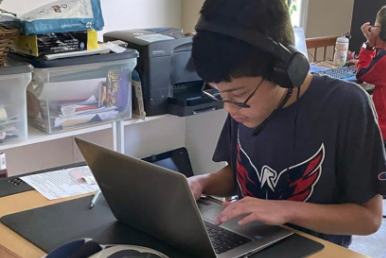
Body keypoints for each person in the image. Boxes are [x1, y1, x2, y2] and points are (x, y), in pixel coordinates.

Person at [188, 0, 386, 248]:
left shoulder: (346, 105)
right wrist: (201, 182)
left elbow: (369, 218)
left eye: (237, 95)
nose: (228, 107)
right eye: (220, 93)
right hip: (250, 243)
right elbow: (235, 175)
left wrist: (285, 210)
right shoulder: (245, 105)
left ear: (285, 69)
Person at [356, 5, 386, 149]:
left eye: (376, 26)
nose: (373, 30)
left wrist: (368, 45)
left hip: (383, 132)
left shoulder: (383, 61)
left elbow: (362, 74)